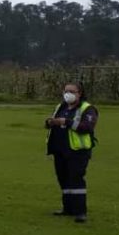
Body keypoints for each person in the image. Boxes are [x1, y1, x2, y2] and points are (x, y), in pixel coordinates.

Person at [45, 82, 98, 223]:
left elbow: (87, 127)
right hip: (60, 150)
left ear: (79, 93)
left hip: (77, 151)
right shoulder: (61, 106)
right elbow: (55, 122)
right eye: (66, 90)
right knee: (64, 179)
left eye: (72, 91)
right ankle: (67, 208)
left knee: (76, 180)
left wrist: (67, 122)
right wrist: (50, 122)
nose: (68, 94)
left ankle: (80, 212)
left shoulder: (88, 109)